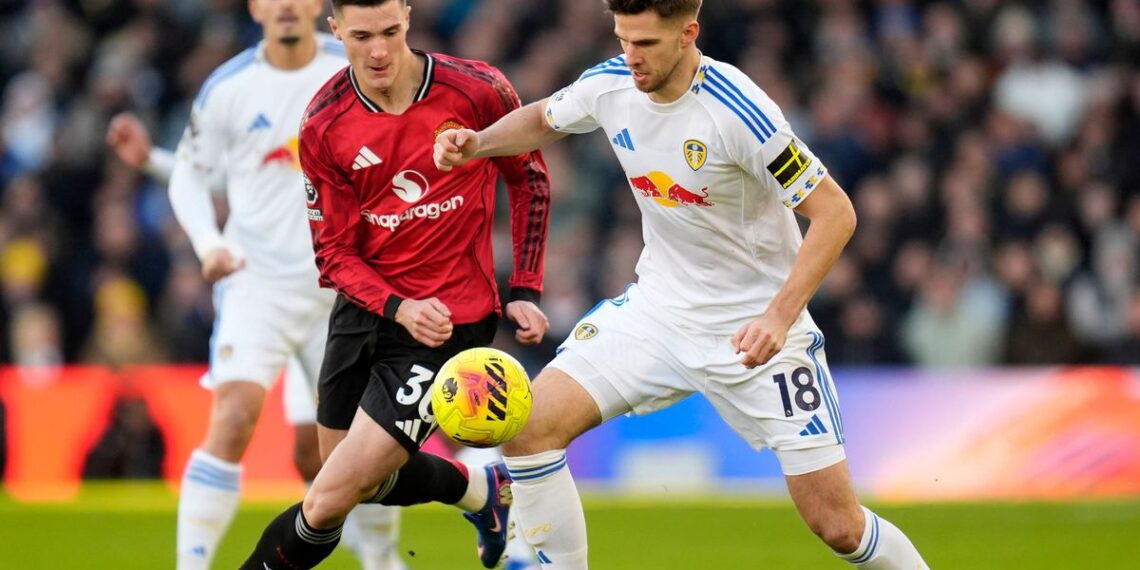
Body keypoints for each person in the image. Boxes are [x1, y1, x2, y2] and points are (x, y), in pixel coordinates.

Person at [434, 1, 930, 568]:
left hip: (756, 333)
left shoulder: (739, 112)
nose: (631, 56)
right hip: (658, 313)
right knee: (529, 429)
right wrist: (478, 144)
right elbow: (545, 119)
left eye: (645, 43)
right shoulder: (610, 82)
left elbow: (836, 213)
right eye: (623, 39)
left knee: (838, 527)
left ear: (688, 33)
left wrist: (778, 316)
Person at [239, 0, 551, 568]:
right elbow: (333, 254)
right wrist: (397, 305)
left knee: (327, 500)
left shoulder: (476, 90)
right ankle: (481, 491)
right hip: (367, 312)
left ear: (407, 17)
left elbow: (529, 179)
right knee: (342, 474)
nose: (379, 50)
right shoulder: (324, 123)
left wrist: (525, 287)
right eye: (362, 36)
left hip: (449, 323)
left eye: (389, 31)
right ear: (335, 30)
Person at [105, 1, 404, 568]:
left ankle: (384, 561)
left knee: (330, 455)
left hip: (342, 289)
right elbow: (199, 172)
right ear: (254, 7)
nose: (285, 6)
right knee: (234, 416)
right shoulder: (229, 87)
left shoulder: (354, 69)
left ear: (318, 6)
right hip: (257, 285)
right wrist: (208, 244)